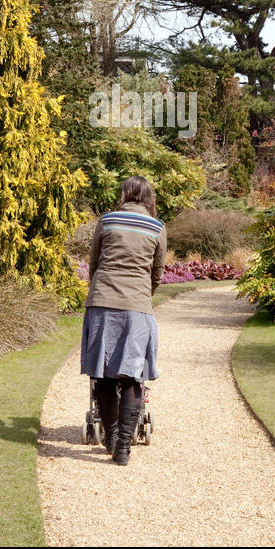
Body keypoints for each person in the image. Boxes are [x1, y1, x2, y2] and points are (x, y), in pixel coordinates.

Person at [80, 175, 165, 465]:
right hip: (137, 308)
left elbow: (94, 262)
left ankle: (113, 436)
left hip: (102, 301)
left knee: (103, 373)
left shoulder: (108, 220)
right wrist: (142, 296)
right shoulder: (157, 228)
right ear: (148, 198)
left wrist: (100, 290)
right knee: (132, 374)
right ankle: (123, 449)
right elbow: (157, 273)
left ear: (125, 194)